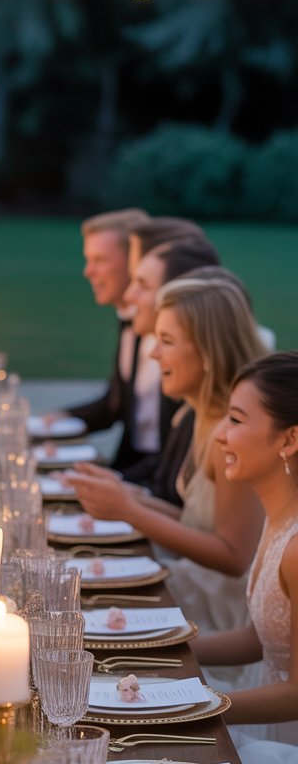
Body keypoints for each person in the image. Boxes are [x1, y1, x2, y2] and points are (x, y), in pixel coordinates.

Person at [68, 277, 265, 654]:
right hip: (190, 588)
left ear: (208, 351)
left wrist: (128, 509)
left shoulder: (232, 433)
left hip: (216, 615)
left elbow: (233, 555)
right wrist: (127, 494)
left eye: (167, 341)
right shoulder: (197, 414)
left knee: (72, 615)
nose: (154, 354)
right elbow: (193, 521)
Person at [193, 355, 298, 764]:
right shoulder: (277, 517)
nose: (220, 437)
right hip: (263, 722)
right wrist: (176, 650)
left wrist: (202, 707)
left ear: (289, 439)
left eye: (236, 420)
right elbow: (263, 638)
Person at [74, 237, 221, 508]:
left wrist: (126, 501)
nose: (130, 295)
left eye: (141, 283)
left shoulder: (221, 424)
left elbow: (229, 547)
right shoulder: (190, 412)